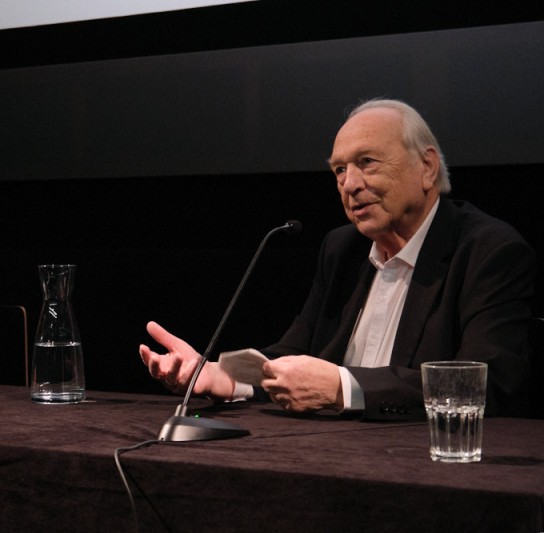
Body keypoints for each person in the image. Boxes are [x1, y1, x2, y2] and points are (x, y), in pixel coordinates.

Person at [139, 99, 536, 420]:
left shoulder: (488, 250)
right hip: (332, 455)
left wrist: (344, 388)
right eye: (339, 170)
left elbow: (486, 385)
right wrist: (220, 378)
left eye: (367, 162)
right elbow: (293, 354)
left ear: (427, 167)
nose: (350, 184)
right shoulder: (341, 248)